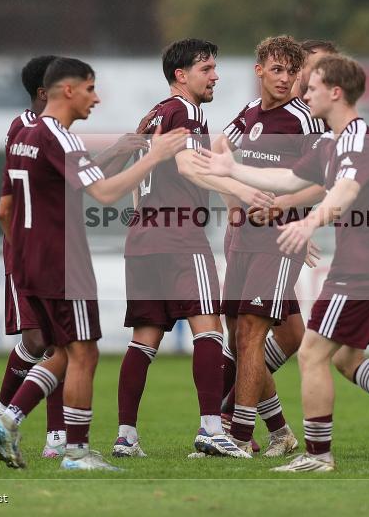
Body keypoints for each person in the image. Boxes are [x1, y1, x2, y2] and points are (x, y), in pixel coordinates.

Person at [196, 55, 369, 472]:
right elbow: (289, 181)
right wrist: (231, 167)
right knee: (346, 359)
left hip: (362, 265)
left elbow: (345, 192)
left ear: (335, 92)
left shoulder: (357, 139)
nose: (302, 91)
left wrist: (309, 223)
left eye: (311, 87)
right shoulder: (331, 143)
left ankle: (317, 456)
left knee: (311, 353)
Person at [0, 58, 187, 471]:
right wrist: (154, 155)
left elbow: (5, 209)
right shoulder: (63, 139)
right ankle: (74, 452)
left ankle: (8, 417)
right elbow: (106, 194)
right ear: (67, 90)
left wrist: (23, 251)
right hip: (63, 262)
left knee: (63, 349)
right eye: (91, 89)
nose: (97, 98)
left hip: (29, 262)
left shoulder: (25, 134)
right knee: (85, 353)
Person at [113, 39, 268, 459]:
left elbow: (133, 179)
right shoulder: (187, 111)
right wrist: (243, 192)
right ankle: (211, 429)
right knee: (210, 331)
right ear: (181, 75)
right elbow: (191, 167)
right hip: (180, 238)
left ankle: (126, 436)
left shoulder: (153, 115)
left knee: (143, 340)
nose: (215, 75)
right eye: (207, 68)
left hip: (142, 239)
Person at [216, 39, 338, 439]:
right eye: (277, 70)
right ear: (260, 71)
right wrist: (234, 205)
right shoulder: (248, 115)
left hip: (279, 240)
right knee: (238, 336)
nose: (285, 79)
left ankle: (237, 434)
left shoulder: (307, 119)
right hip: (243, 238)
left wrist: (284, 207)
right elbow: (221, 150)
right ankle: (279, 432)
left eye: (291, 71)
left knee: (253, 331)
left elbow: (324, 183)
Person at [0, 55, 69, 459]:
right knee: (46, 340)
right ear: (44, 92)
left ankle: (52, 436)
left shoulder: (33, 127)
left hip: (47, 247)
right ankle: (8, 415)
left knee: (52, 339)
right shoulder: (34, 130)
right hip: (30, 248)